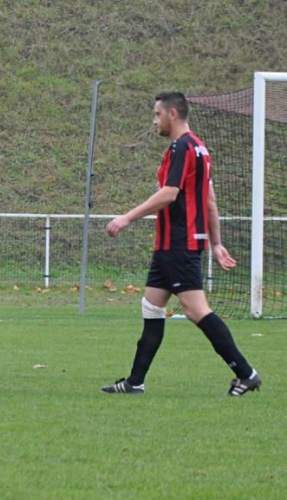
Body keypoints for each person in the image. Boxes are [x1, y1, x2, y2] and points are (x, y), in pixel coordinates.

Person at [102, 91, 261, 397]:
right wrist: (216, 242)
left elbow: (169, 193)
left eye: (157, 115)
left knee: (196, 310)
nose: (154, 121)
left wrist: (126, 217)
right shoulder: (200, 148)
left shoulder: (181, 147)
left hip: (179, 242)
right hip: (171, 245)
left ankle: (246, 373)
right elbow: (209, 199)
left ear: (172, 114)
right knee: (151, 306)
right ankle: (135, 381)